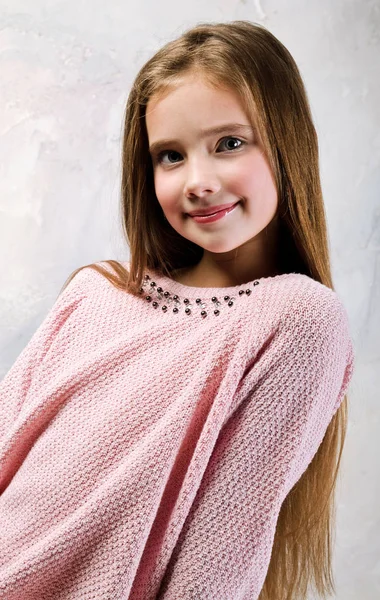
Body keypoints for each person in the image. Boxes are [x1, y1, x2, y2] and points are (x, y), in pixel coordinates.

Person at [0, 20, 355, 600]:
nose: (197, 181)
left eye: (229, 144)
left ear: (286, 141)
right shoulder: (95, 293)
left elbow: (218, 557)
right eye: (170, 156)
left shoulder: (295, 318)